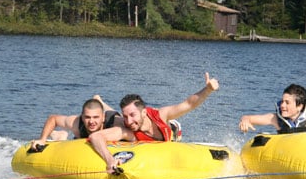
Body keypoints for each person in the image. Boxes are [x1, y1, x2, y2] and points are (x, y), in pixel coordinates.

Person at [88, 72, 219, 173]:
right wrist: (109, 159)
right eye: (126, 116)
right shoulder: (127, 129)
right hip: (115, 121)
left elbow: (188, 104)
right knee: (115, 118)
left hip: (167, 133)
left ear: (144, 113)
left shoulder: (161, 115)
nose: (129, 121)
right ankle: (100, 102)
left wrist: (208, 90)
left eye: (132, 115)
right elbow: (95, 136)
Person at [30, 96, 122, 151]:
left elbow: (133, 125)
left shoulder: (114, 121)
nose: (91, 121)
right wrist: (42, 139)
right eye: (87, 117)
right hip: (86, 133)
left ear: (102, 118)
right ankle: (59, 135)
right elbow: (53, 118)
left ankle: (99, 101)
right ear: (82, 117)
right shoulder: (77, 123)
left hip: (110, 118)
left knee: (111, 112)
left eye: (95, 117)